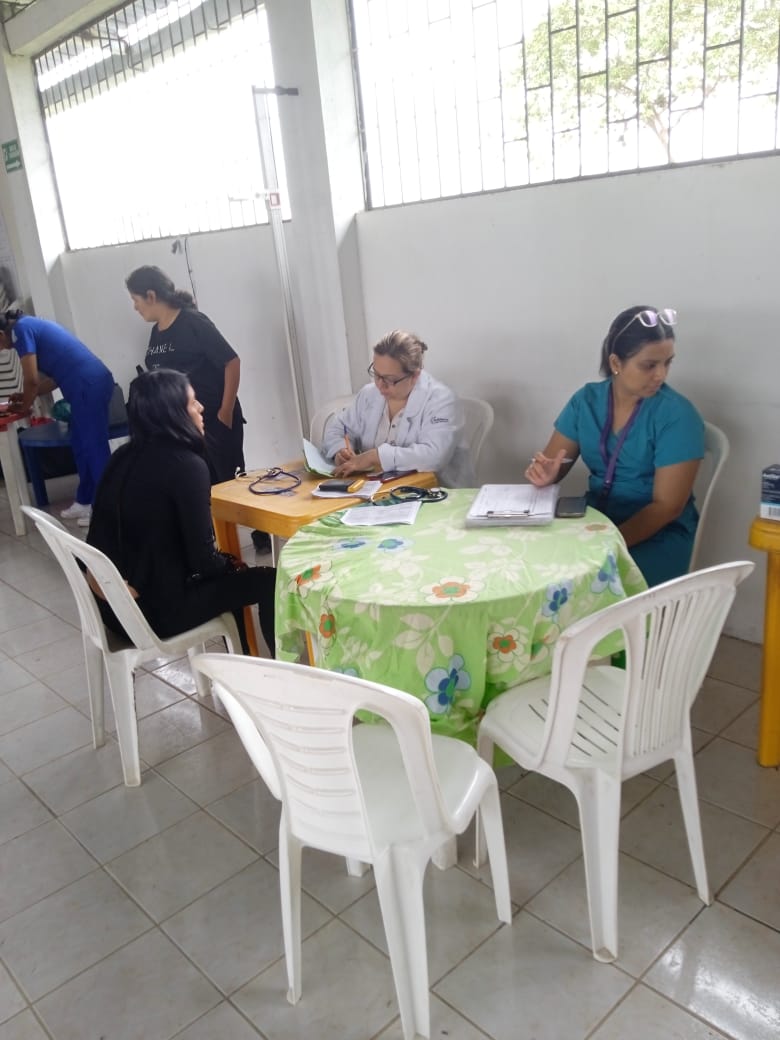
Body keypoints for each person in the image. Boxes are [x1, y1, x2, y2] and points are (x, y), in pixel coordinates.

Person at [87, 369, 276, 655]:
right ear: (172, 413)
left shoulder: (121, 457)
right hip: (153, 615)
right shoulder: (187, 466)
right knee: (267, 580)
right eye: (192, 402)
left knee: (230, 572)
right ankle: (272, 670)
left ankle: (246, 657)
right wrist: (229, 565)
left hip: (114, 610)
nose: (201, 408)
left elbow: (94, 541)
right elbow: (203, 561)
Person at [526, 305, 705, 586]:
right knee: (532, 562)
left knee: (579, 582)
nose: (661, 375)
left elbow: (667, 507)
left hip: (657, 535)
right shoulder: (586, 401)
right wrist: (547, 473)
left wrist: (608, 544)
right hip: (596, 521)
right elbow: (553, 462)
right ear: (616, 363)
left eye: (667, 363)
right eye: (649, 365)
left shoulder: (677, 416)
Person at [125, 265, 271, 554]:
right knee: (202, 484)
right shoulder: (156, 333)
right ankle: (214, 544)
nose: (135, 307)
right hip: (185, 424)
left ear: (151, 296)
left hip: (215, 417)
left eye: (136, 300)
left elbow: (232, 362)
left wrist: (225, 411)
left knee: (231, 480)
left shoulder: (193, 322)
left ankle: (261, 533)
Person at [0, 309, 114, 525]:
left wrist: (24, 406)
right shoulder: (28, 326)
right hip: (84, 386)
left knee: (94, 448)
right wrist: (25, 397)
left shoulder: (21, 330)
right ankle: (85, 500)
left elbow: (32, 380)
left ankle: (108, 509)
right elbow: (52, 380)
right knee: (81, 447)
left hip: (88, 386)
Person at [321, 329, 474, 486]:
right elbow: (338, 429)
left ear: (415, 376)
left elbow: (434, 456)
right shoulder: (369, 394)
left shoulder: (442, 400)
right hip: (378, 490)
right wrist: (340, 450)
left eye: (389, 379)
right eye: (376, 374)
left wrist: (375, 457)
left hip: (436, 492)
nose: (380, 385)